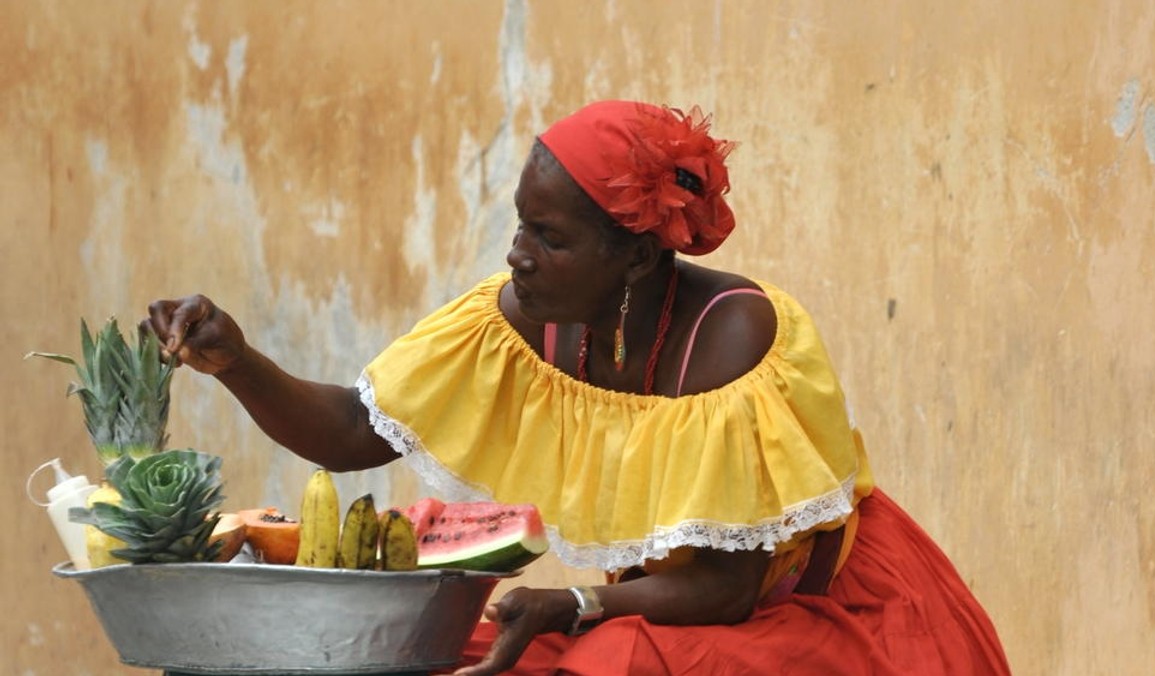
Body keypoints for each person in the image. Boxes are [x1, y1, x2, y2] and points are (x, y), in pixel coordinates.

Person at [145, 100, 1011, 675]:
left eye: (550, 238)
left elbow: (729, 587)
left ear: (636, 253)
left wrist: (579, 603)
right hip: (655, 607)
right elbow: (352, 430)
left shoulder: (736, 341)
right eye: (522, 224)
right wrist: (237, 361)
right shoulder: (524, 316)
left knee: (605, 662)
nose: (519, 254)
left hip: (815, 610)